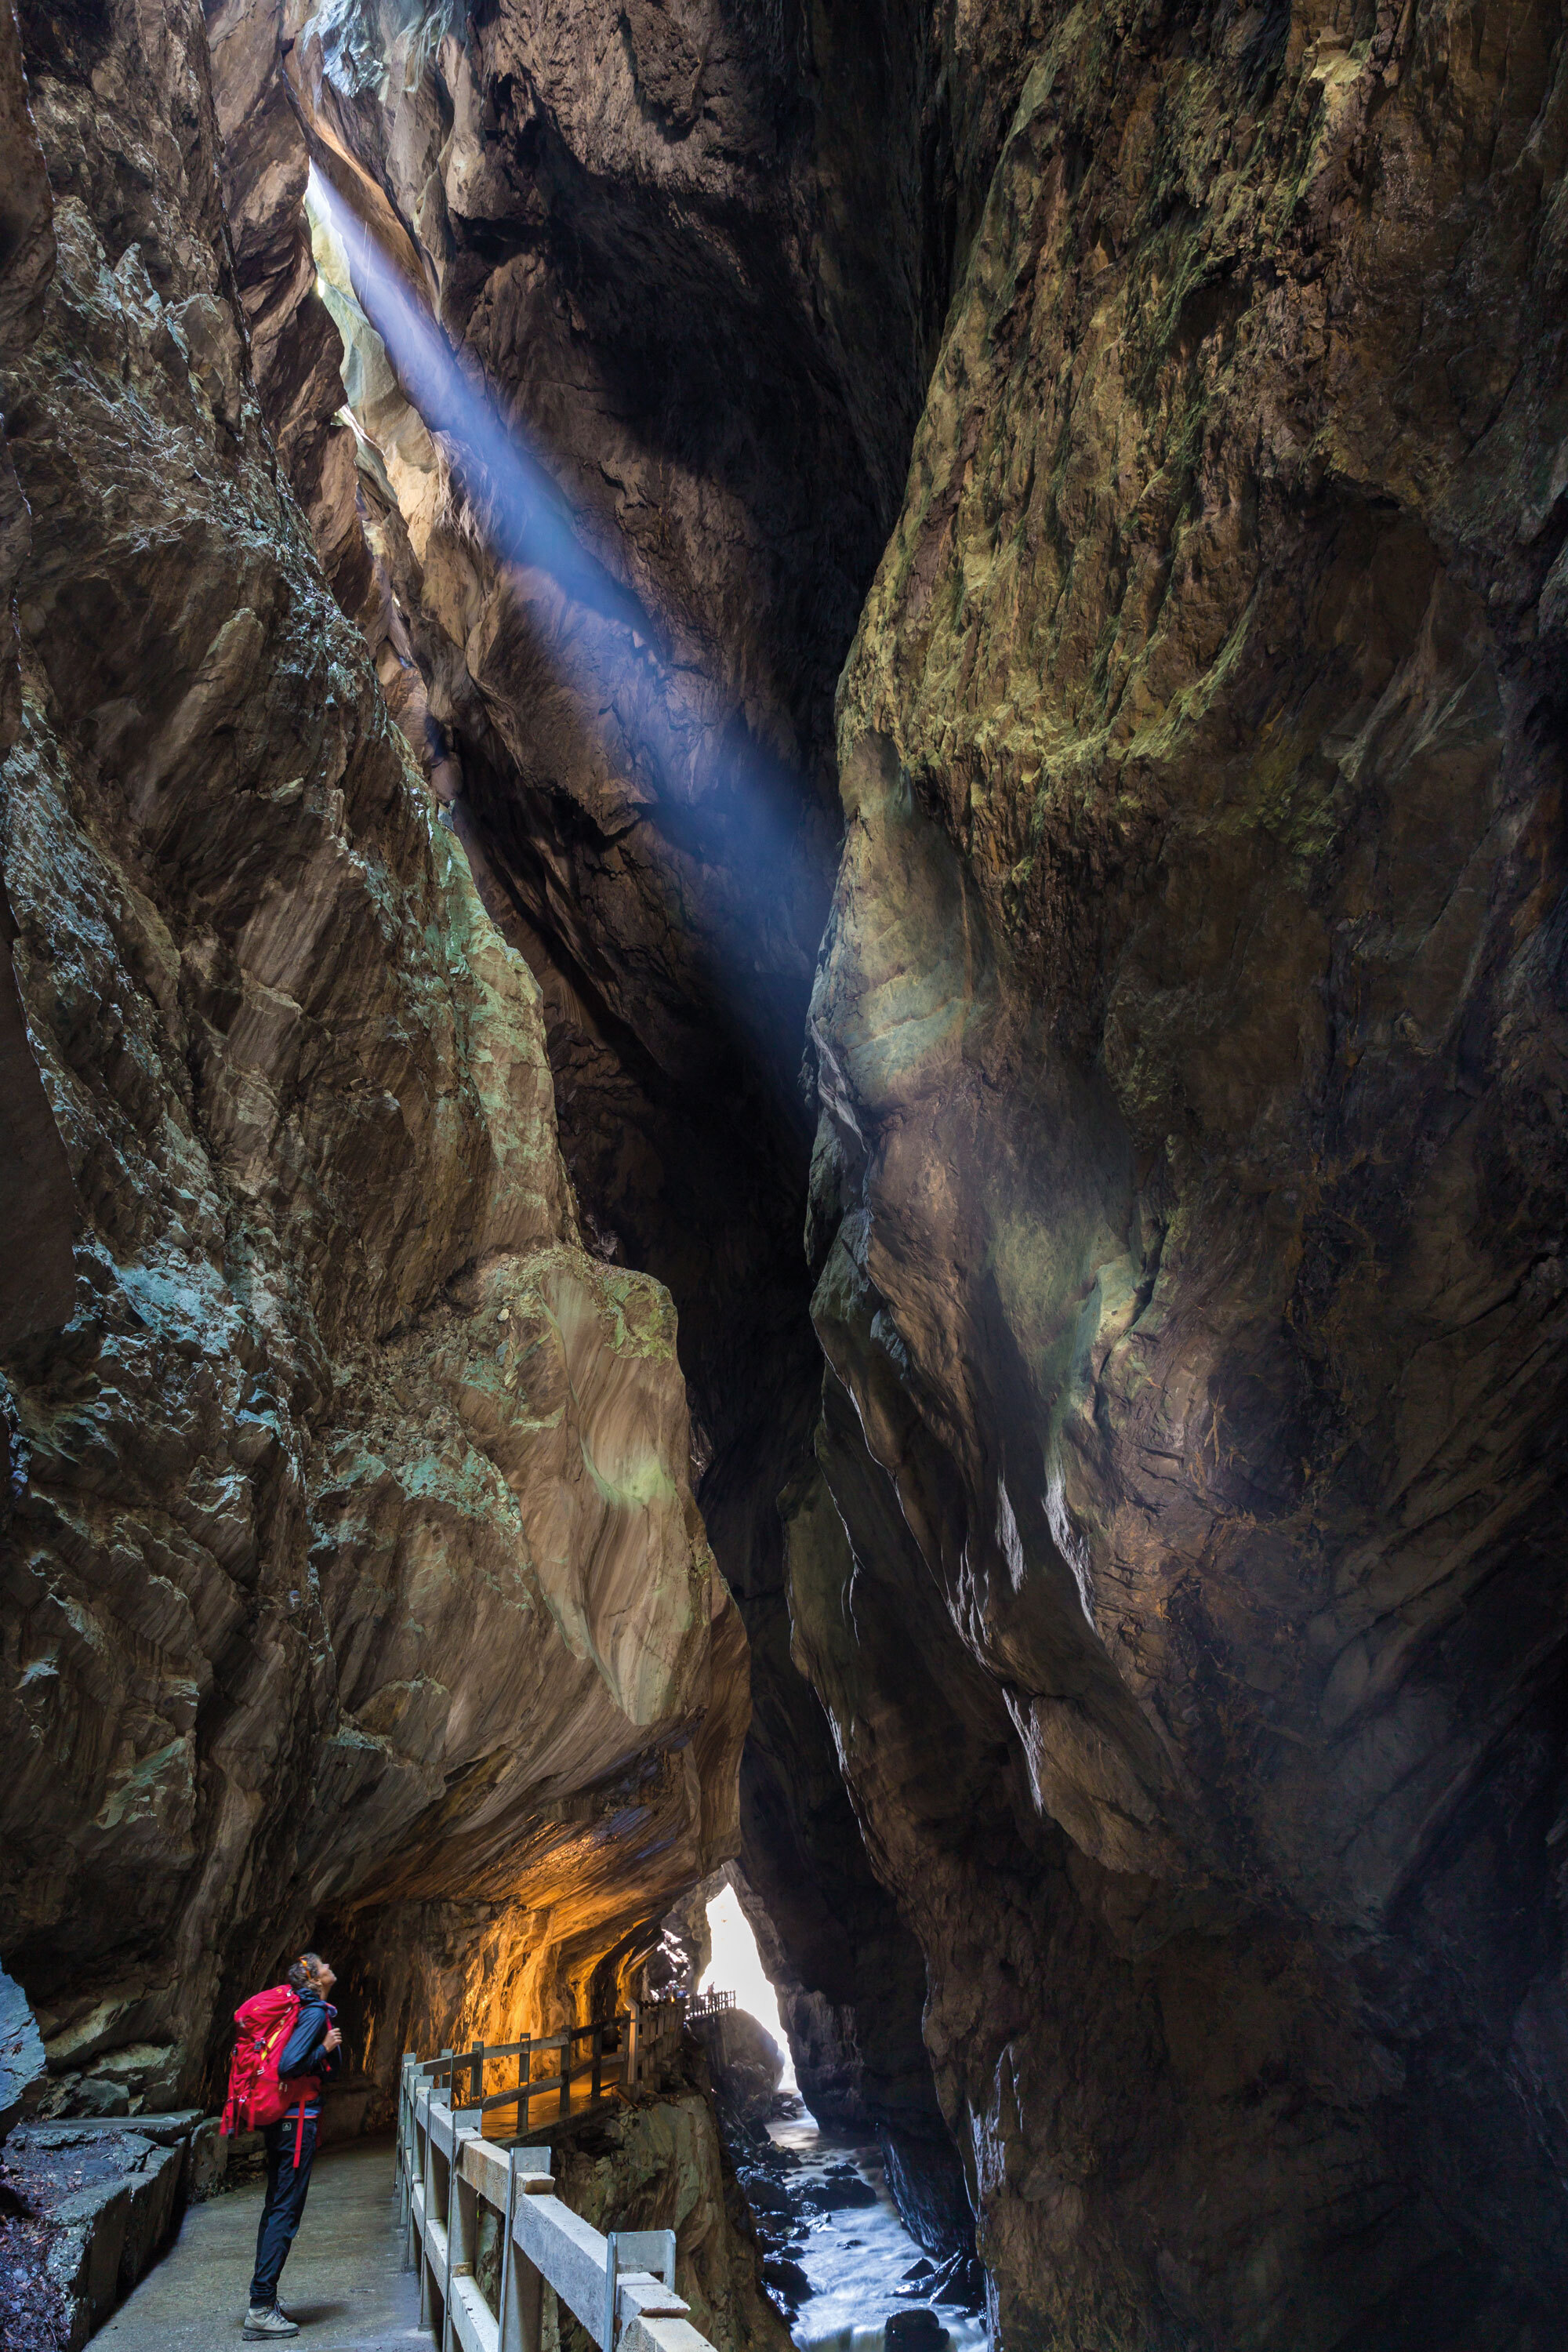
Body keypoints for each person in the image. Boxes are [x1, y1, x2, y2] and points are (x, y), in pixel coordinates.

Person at [243, 1952, 343, 2340]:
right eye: (324, 1966)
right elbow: (288, 2065)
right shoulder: (315, 2014)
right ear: (315, 1980)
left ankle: (263, 2298)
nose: (329, 1967)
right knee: (285, 2212)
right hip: (296, 2123)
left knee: (276, 2209)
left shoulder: (303, 2009)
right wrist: (326, 2048)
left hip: (286, 2121)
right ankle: (261, 2308)